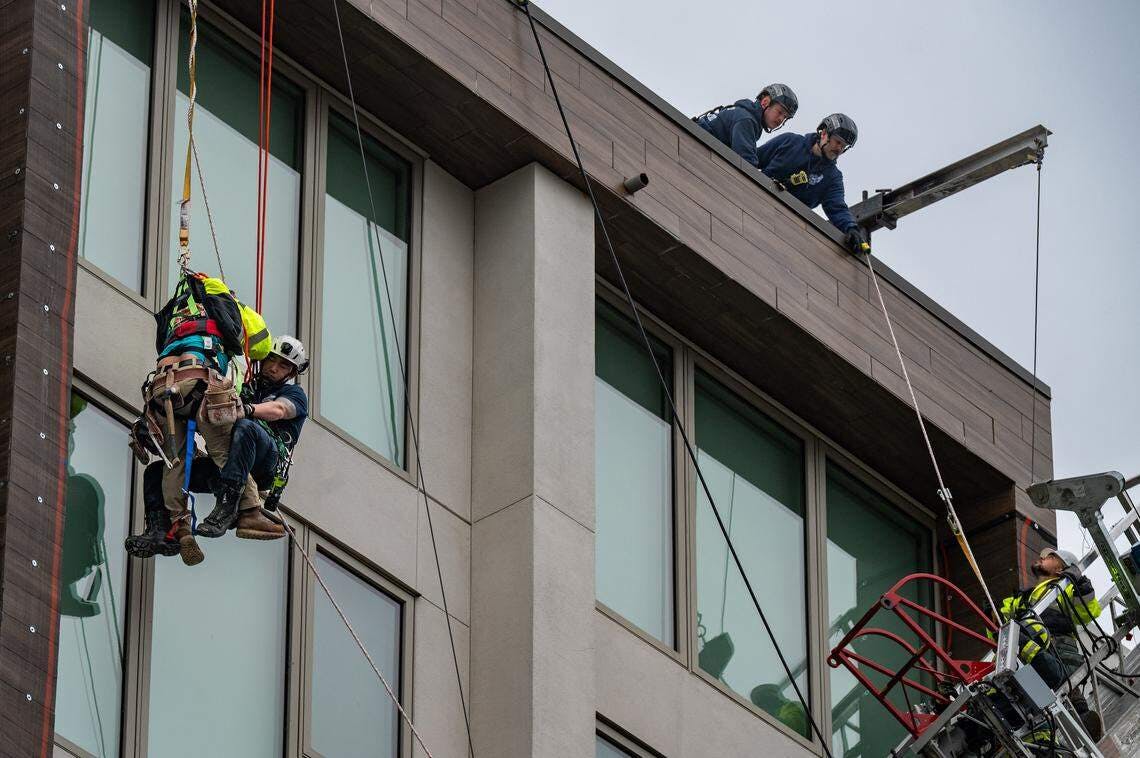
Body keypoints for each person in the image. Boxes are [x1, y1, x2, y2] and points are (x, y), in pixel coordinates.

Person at [195, 336, 309, 539]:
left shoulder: (294, 393)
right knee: (158, 472)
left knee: (246, 427)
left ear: (291, 372)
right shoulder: (246, 386)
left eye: (283, 365)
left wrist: (248, 409)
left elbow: (279, 409)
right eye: (271, 360)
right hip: (232, 465)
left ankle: (228, 509)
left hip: (265, 463)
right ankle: (164, 530)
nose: (273, 368)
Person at [991, 547, 1103, 740]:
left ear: (1061, 569)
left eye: (1051, 556)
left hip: (1057, 649)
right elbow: (999, 626)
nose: (1042, 557)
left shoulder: (1064, 586)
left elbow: (1088, 610)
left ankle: (1080, 715)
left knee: (1056, 682)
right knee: (1024, 698)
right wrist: (990, 614)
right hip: (1026, 655)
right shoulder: (1023, 598)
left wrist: (1080, 583)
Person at [754, 113, 869, 254]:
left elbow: (837, 207)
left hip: (785, 227)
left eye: (844, 146)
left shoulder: (832, 177)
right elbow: (754, 159)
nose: (839, 149)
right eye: (837, 142)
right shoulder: (790, 142)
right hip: (755, 201)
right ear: (825, 133)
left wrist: (851, 228)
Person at [694, 83, 799, 168]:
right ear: (765, 102)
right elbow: (746, 163)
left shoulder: (743, 114)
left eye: (785, 117)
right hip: (696, 151)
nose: (781, 119)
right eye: (779, 112)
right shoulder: (746, 120)